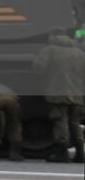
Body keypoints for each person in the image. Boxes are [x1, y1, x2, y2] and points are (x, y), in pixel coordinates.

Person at [32, 28, 85, 163]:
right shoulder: (79, 52)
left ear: (53, 35)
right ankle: (80, 153)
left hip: (58, 93)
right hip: (77, 94)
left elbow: (38, 70)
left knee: (60, 121)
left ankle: (62, 153)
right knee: (75, 123)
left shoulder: (49, 50)